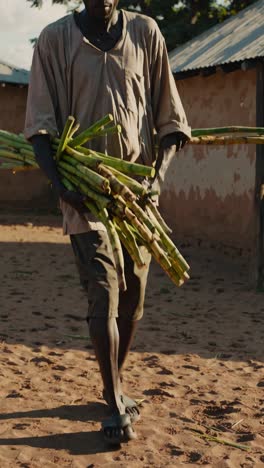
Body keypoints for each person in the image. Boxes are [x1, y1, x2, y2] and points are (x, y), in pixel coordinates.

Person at [24, 0, 191, 445]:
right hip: (83, 193)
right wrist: (62, 189)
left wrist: (156, 180)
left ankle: (112, 378)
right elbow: (40, 127)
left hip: (137, 196)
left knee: (133, 300)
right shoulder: (55, 41)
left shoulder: (146, 33)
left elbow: (171, 122)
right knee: (103, 291)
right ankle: (116, 401)